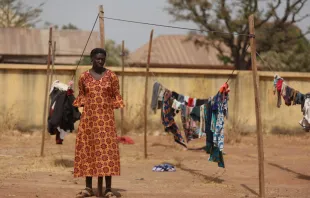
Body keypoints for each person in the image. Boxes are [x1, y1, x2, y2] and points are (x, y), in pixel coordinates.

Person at [73, 48, 124, 198]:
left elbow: (116, 96)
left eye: (102, 59)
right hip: (88, 121)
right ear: (92, 59)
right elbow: (81, 97)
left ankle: (108, 189)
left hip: (106, 122)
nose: (100, 61)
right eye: (97, 59)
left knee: (106, 153)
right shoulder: (83, 77)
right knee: (88, 151)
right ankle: (88, 188)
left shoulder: (111, 77)